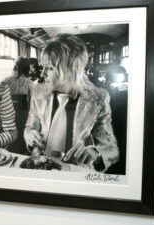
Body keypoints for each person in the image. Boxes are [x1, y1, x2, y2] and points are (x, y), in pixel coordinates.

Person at [24, 34, 119, 172]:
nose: (42, 74)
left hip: (77, 173)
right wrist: (29, 136)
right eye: (43, 67)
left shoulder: (98, 99)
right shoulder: (38, 92)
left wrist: (96, 154)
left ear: (69, 70)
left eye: (50, 68)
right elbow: (29, 127)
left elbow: (111, 149)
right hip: (41, 168)